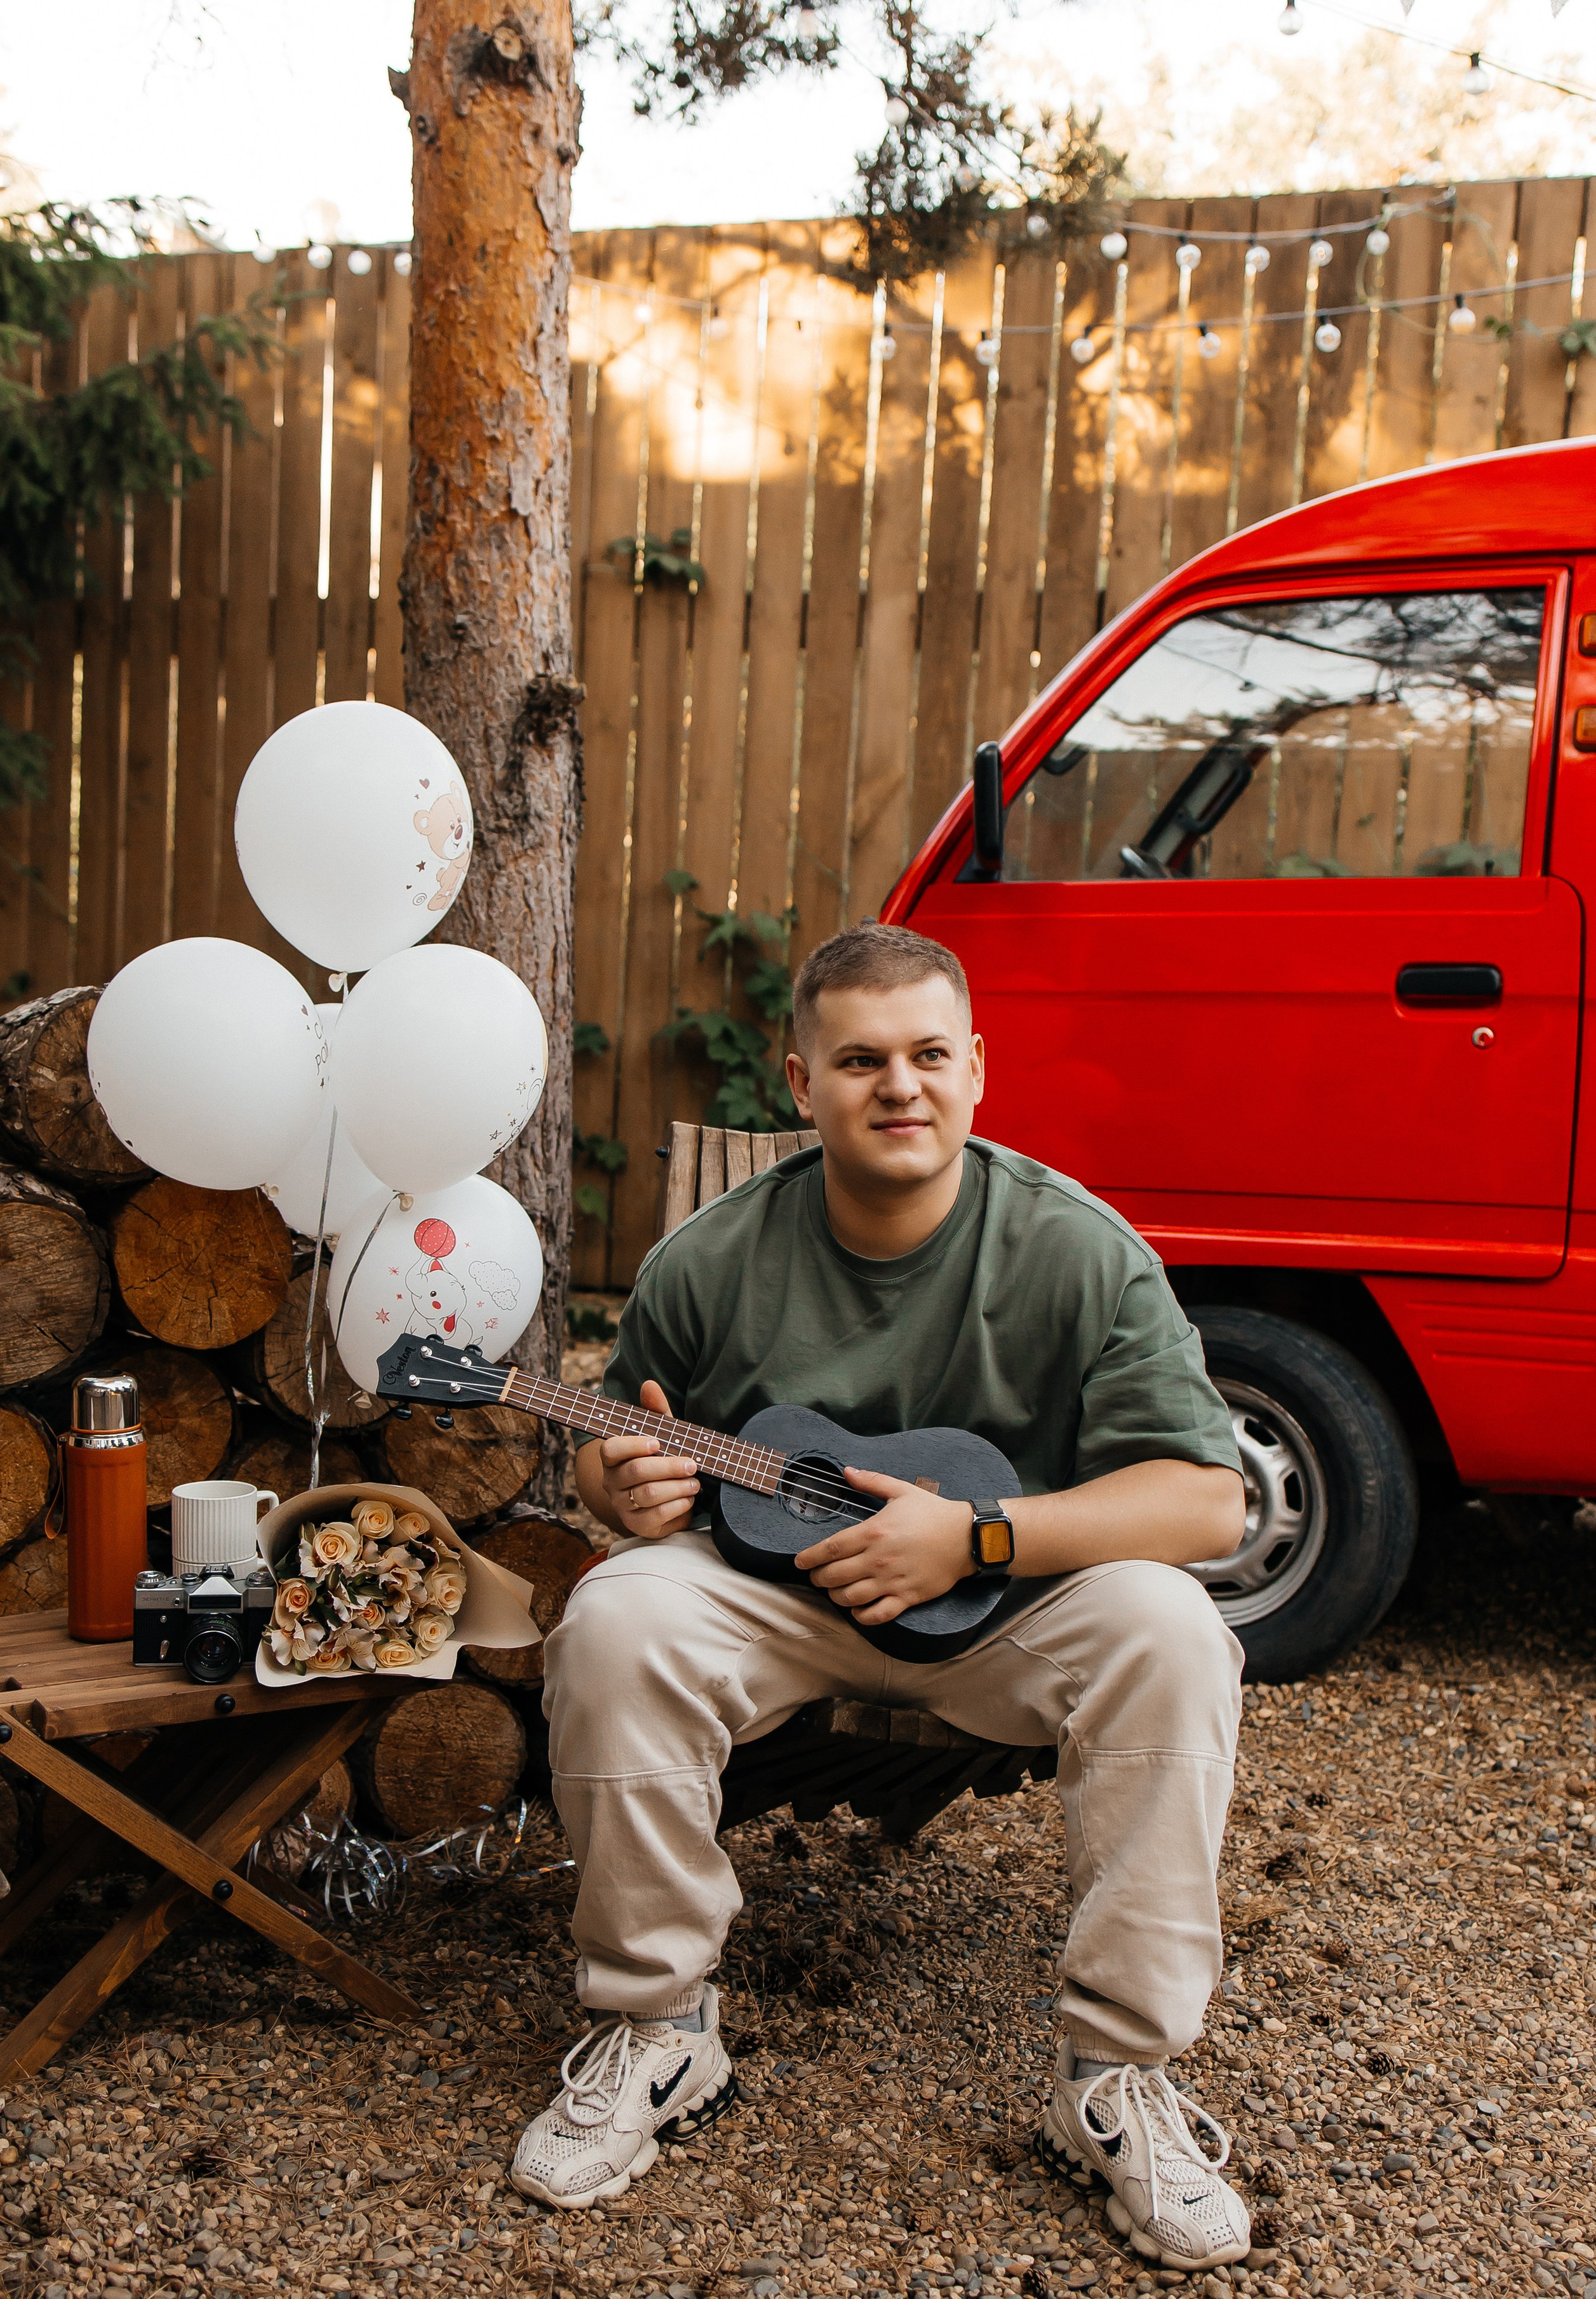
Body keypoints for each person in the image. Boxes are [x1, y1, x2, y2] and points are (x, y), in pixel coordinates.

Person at [511, 925, 1252, 2267]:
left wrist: (974, 1540)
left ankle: (1114, 2076)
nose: (895, 1086)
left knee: (1170, 1630)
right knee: (617, 1616)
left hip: (1009, 1602)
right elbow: (612, 1443)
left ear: (976, 1071)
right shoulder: (711, 1257)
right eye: (859, 1060)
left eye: (925, 1056)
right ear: (800, 1081)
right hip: (779, 1595)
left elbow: (1208, 1503)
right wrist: (618, 1484)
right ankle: (661, 2026)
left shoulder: (1079, 1252)